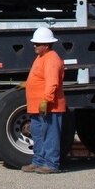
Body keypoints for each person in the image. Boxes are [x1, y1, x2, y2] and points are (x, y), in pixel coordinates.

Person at [23, 26, 67, 174]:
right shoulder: (42, 57)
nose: (34, 45)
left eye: (37, 43)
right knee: (38, 133)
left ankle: (51, 164)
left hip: (49, 106)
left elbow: (52, 82)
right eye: (34, 43)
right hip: (38, 107)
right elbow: (40, 77)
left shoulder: (51, 58)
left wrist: (45, 101)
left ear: (46, 45)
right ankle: (38, 161)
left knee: (50, 134)